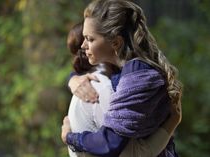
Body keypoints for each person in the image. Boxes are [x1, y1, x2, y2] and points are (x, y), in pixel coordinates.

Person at [63, 14, 182, 157]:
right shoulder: (102, 90)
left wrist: (71, 78)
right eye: (88, 38)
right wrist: (172, 122)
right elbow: (137, 153)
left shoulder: (88, 84)